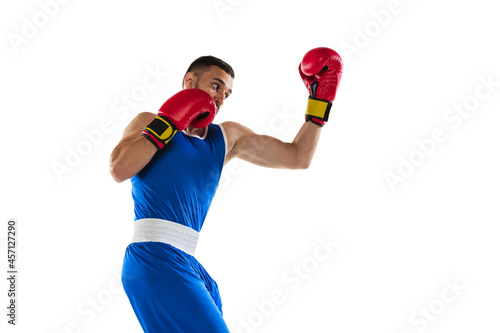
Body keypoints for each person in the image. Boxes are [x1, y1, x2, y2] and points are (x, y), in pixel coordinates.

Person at [109, 47, 343, 332]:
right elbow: (119, 169)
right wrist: (168, 122)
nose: (219, 98)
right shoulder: (148, 121)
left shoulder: (226, 137)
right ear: (190, 82)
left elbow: (298, 157)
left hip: (187, 262)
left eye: (227, 94)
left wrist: (319, 102)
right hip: (153, 257)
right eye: (216, 86)